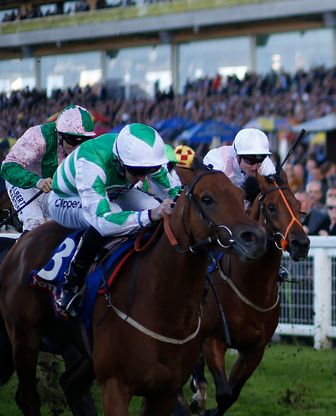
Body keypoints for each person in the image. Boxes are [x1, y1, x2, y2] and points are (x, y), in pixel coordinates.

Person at [49, 123, 177, 316]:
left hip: (113, 190)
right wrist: (150, 216)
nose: (143, 178)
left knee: (152, 206)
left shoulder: (145, 158)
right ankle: (71, 284)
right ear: (118, 161)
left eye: (147, 172)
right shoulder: (91, 161)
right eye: (136, 172)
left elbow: (175, 192)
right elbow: (103, 221)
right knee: (119, 212)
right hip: (65, 199)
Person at [1, 105, 96, 231]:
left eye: (84, 141)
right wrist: (37, 181)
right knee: (35, 223)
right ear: (60, 134)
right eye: (73, 141)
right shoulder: (38, 136)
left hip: (54, 191)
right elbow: (8, 166)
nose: (77, 148)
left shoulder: (90, 149)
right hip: (25, 186)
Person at [203, 127, 275, 202]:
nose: (255, 167)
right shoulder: (217, 159)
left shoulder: (266, 164)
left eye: (260, 160)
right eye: (250, 161)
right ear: (237, 155)